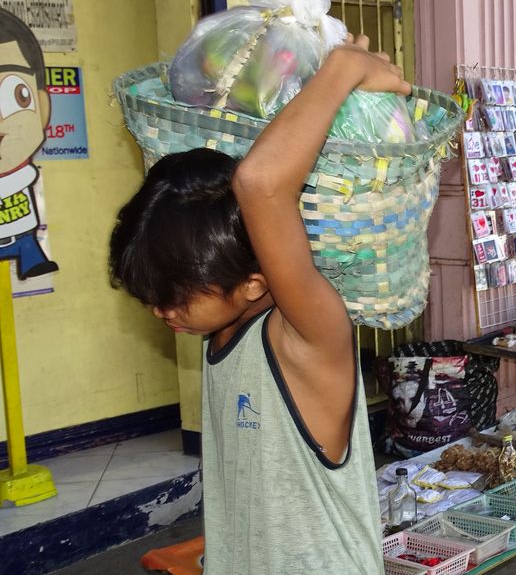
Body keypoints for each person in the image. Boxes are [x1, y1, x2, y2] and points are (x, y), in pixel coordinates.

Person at [109, 35, 410, 574]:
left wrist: (341, 68)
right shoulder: (218, 332)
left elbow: (261, 183)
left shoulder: (307, 335)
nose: (160, 312)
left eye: (171, 296)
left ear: (252, 282)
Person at [0, 8, 59, 279]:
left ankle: (32, 259)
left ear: (42, 106)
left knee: (28, 244)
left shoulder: (24, 173)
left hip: (23, 232)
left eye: (18, 97)